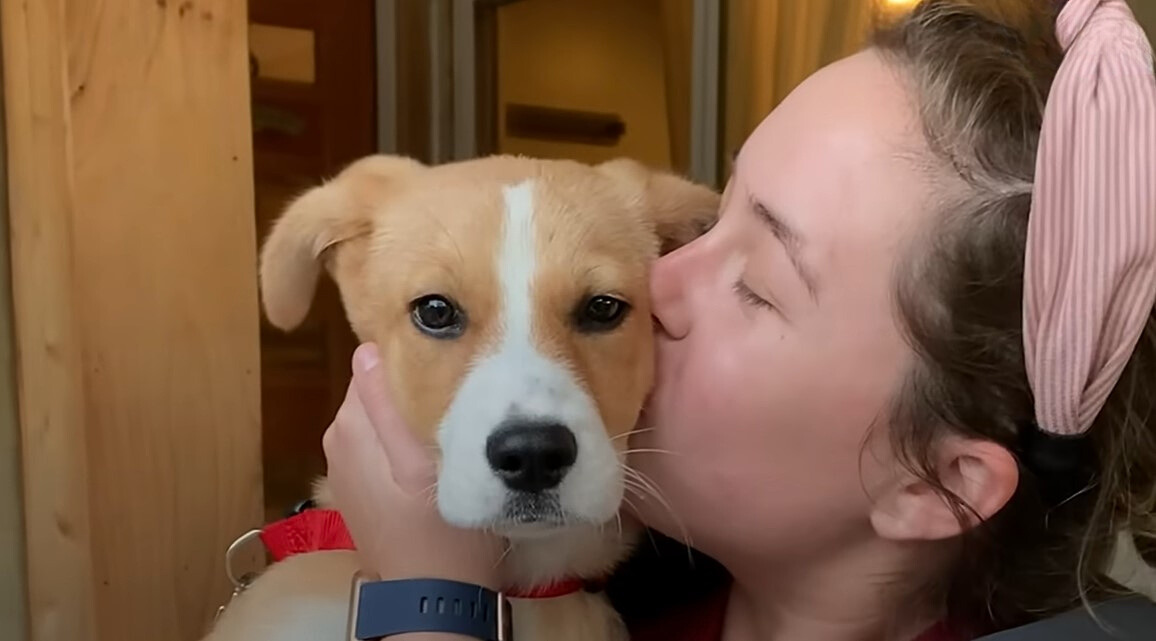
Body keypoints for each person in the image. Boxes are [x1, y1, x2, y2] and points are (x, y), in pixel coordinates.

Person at [320, 1, 1156, 639]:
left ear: (935, 483)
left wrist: (431, 606)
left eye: (755, 284)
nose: (658, 278)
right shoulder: (628, 599)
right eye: (711, 224)